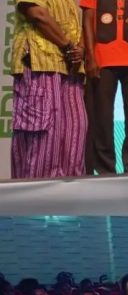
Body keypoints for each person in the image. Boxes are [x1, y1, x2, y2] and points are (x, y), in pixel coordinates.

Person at [10, 0, 86, 179]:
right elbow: (38, 14)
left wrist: (80, 49)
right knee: (43, 136)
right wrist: (68, 46)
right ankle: (36, 193)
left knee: (75, 131)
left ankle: (72, 192)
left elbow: (78, 27)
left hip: (70, 70)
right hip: (39, 64)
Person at [81, 0, 128, 174]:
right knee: (103, 119)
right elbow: (87, 21)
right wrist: (91, 56)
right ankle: (106, 169)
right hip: (103, 60)